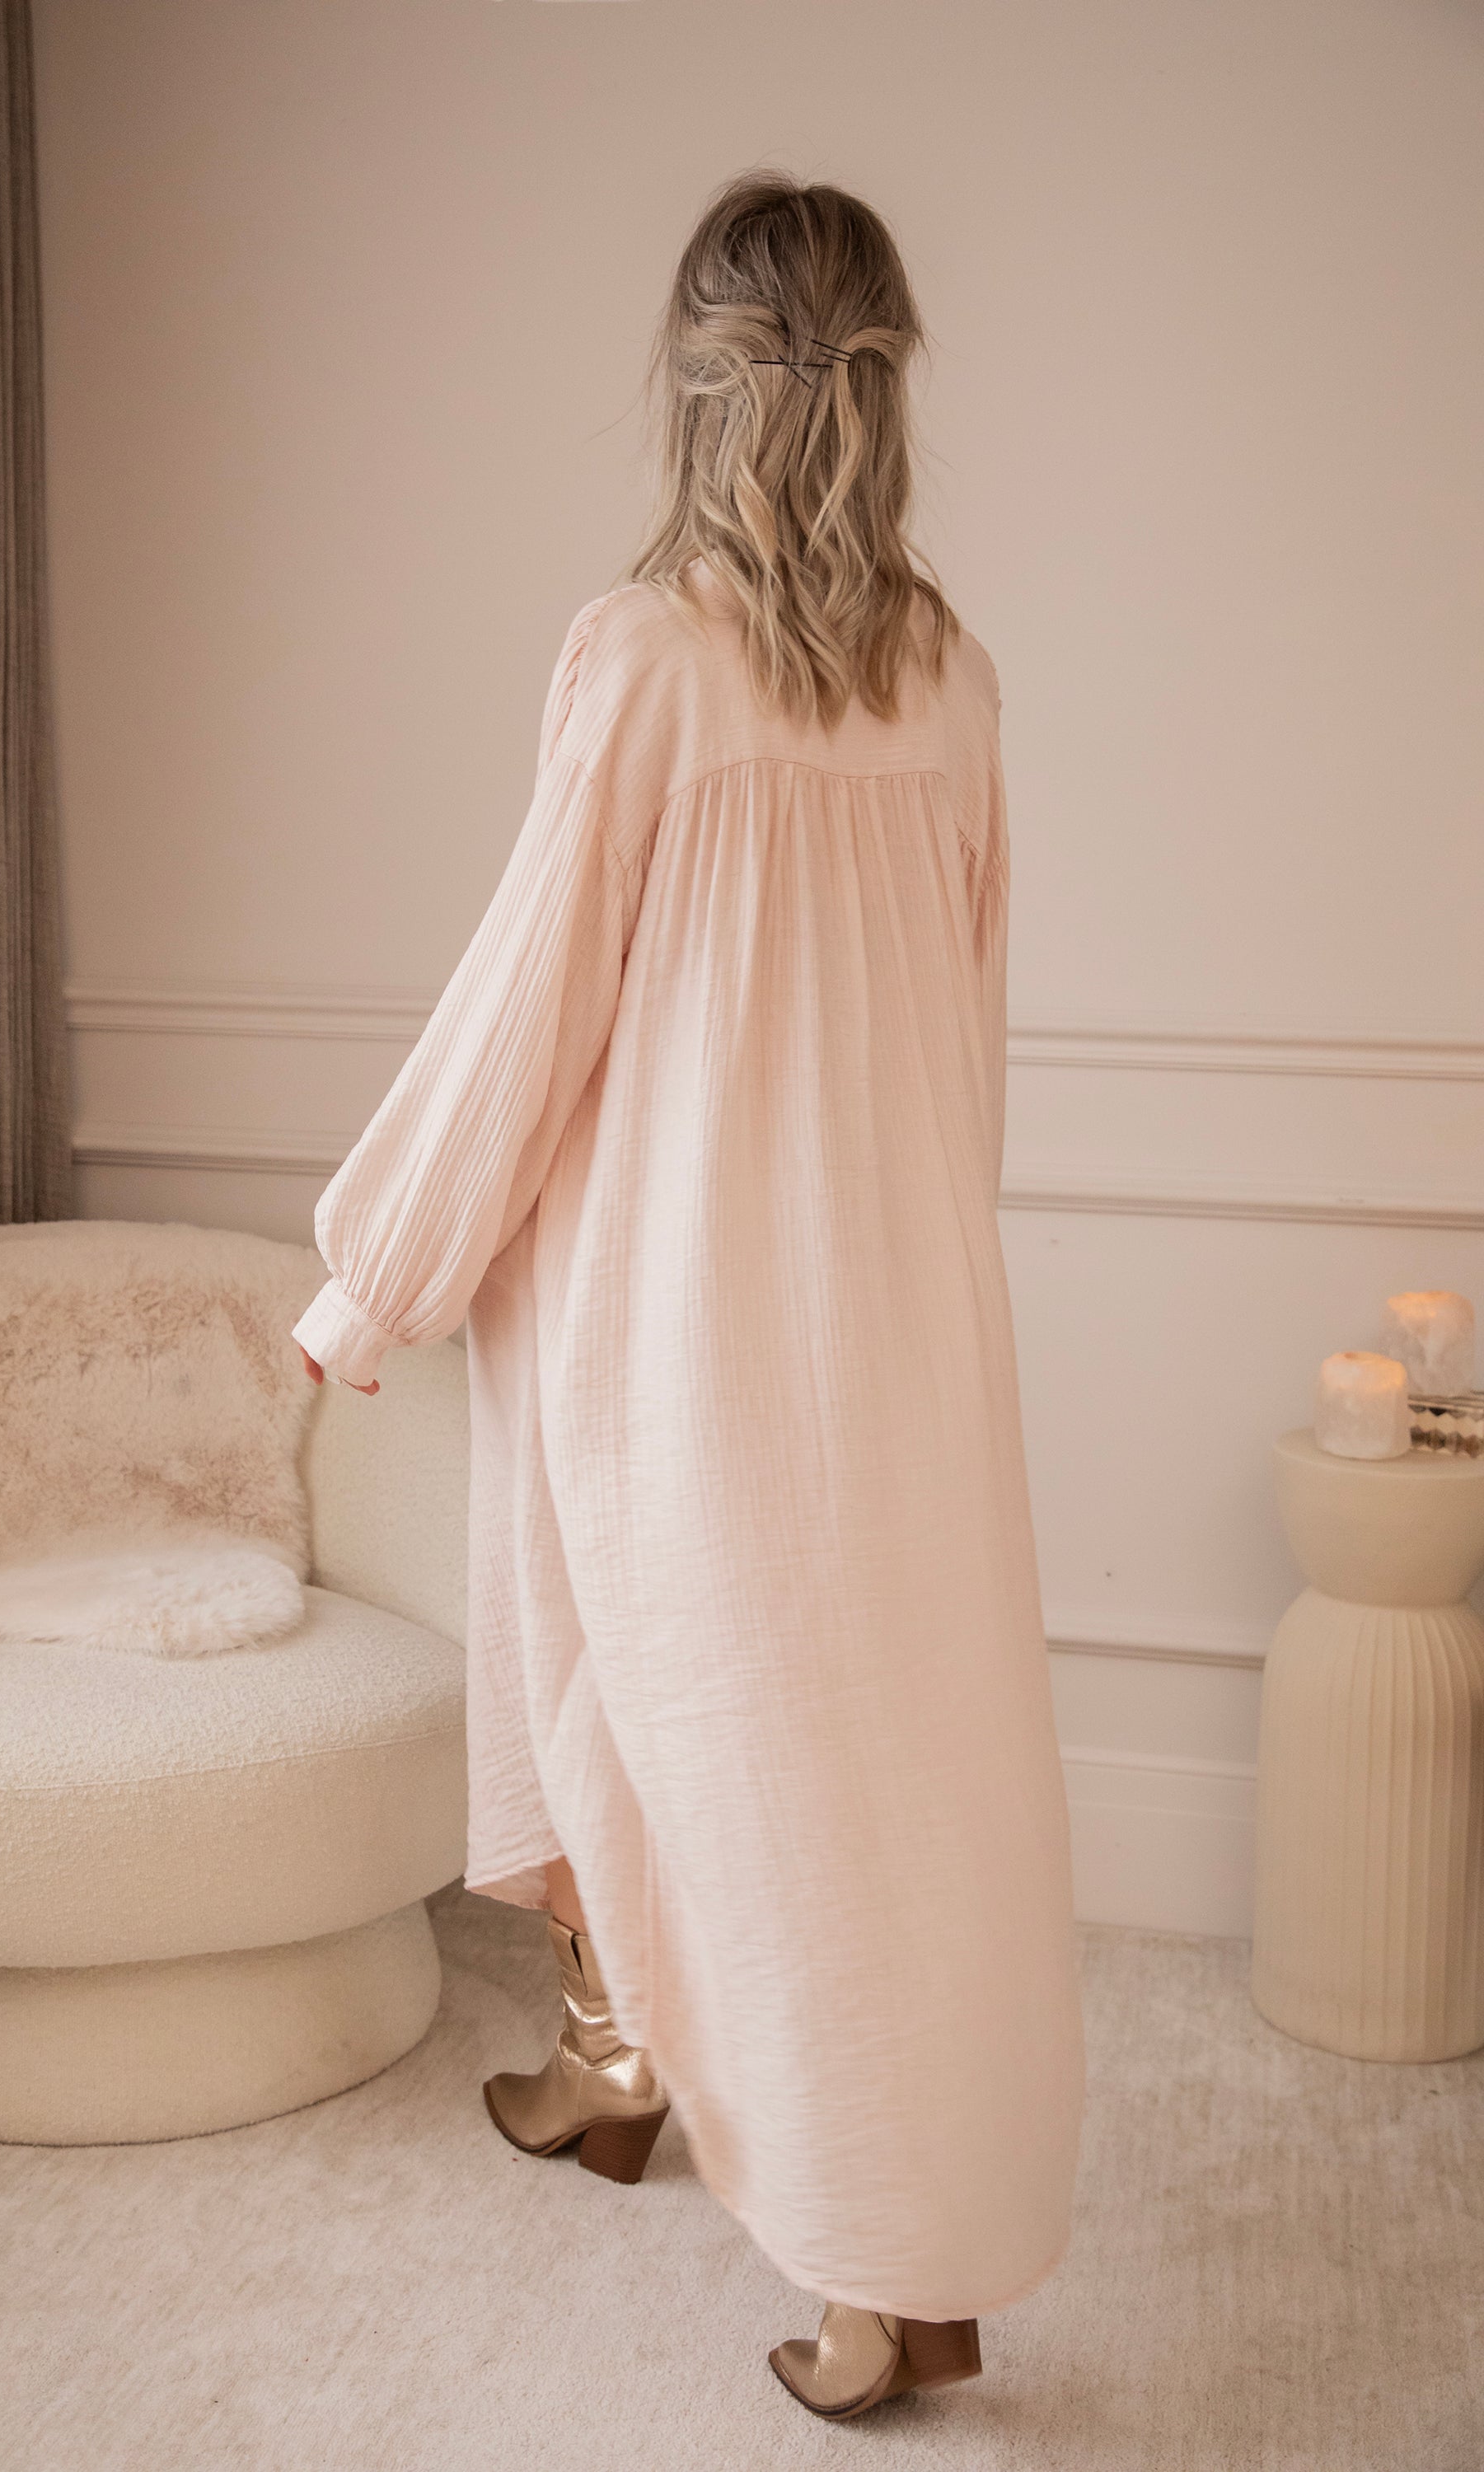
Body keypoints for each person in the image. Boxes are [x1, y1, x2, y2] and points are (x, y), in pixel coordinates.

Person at [293, 169, 1085, 2423]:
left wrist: (371, 1282)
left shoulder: (642, 656)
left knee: (752, 1766)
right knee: (813, 1749)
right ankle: (617, 2065)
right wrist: (913, 1272)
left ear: (697, 383)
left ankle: (878, 2261)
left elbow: (524, 1006)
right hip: (893, 1308)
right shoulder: (954, 677)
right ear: (887, 385)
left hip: (672, 1314)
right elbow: (966, 1034)